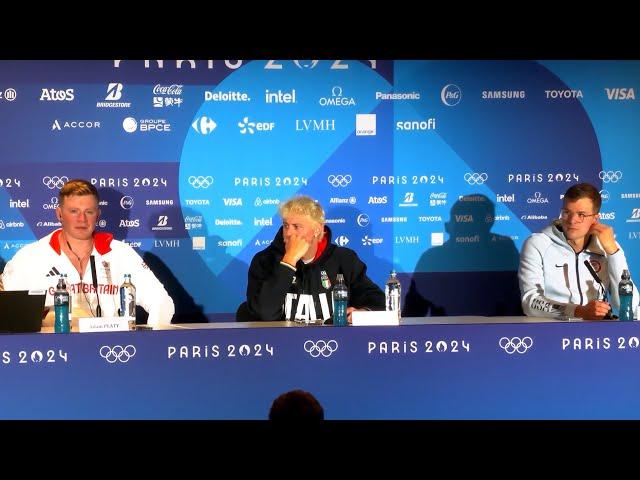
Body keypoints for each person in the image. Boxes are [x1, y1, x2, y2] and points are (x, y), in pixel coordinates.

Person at [1, 179, 175, 327]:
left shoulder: (122, 254)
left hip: (111, 351)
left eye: (89, 212)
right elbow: (10, 313)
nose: (82, 219)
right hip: (54, 354)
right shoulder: (30, 257)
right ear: (59, 214)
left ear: (98, 214)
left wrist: (150, 341)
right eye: (74, 211)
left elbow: (162, 303)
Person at [244, 195, 385, 323]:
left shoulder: (344, 259)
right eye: (285, 225)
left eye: (296, 227)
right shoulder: (264, 261)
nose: (288, 233)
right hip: (282, 345)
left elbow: (377, 301)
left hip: (336, 344)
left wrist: (363, 313)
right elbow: (263, 313)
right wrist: (289, 261)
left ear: (317, 229)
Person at [519, 182, 638, 320]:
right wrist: (578, 311)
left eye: (581, 214)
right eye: (567, 212)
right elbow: (530, 302)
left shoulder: (607, 245)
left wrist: (613, 252)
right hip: (552, 328)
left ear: (595, 219)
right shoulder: (537, 244)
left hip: (598, 331)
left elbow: (631, 306)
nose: (572, 220)